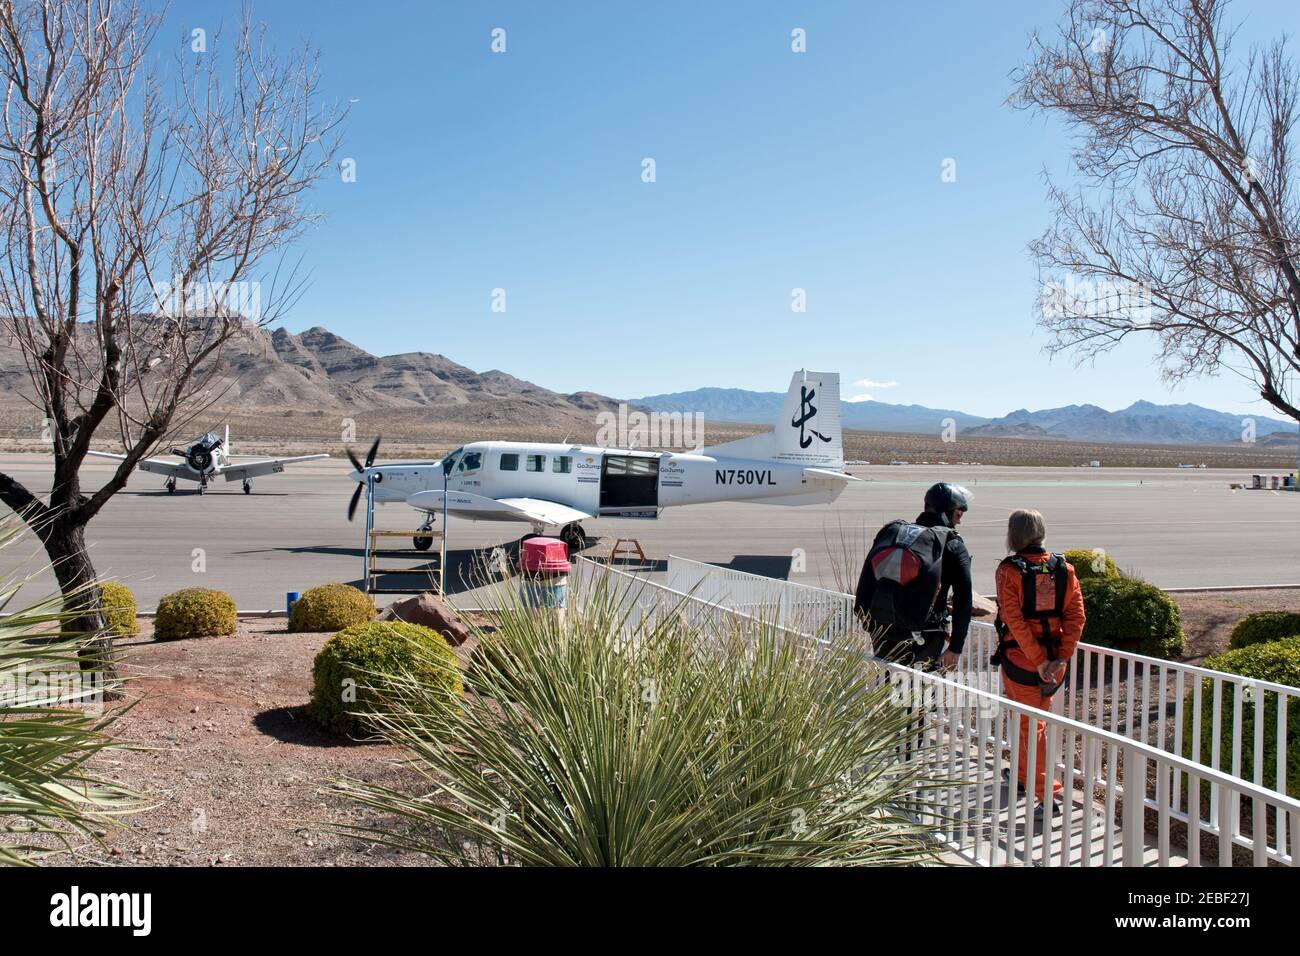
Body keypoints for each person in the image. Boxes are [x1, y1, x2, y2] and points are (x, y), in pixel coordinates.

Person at [992, 509, 1085, 813]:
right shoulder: (1064, 569)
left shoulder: (1010, 571)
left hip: (1023, 663)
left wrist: (1040, 661)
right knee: (1028, 723)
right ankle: (1022, 776)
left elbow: (1014, 621)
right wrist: (1060, 658)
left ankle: (1048, 794)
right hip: (1053, 664)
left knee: (1032, 727)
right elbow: (1076, 616)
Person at [855, 482, 974, 668]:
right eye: (959, 513)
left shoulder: (897, 534)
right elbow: (964, 600)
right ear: (947, 512)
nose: (959, 520)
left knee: (887, 686)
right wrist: (955, 647)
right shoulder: (952, 545)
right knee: (921, 691)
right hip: (926, 636)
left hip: (883, 629)